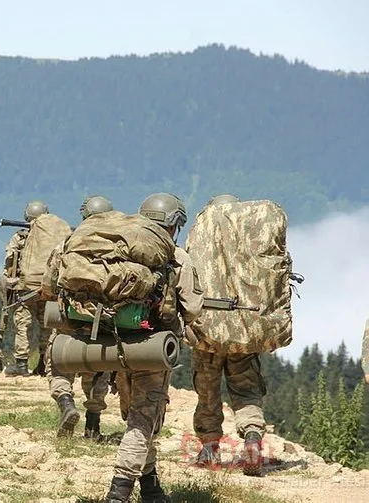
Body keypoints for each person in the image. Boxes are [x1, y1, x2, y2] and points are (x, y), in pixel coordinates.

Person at [104, 192, 203, 503]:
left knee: (133, 413)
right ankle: (118, 492)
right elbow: (193, 305)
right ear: (174, 224)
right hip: (152, 347)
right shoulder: (177, 256)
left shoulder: (118, 250)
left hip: (115, 344)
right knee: (143, 419)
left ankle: (151, 488)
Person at [190, 194, 269, 476]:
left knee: (207, 391)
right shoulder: (250, 241)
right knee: (246, 389)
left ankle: (210, 448)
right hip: (243, 330)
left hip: (206, 331)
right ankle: (251, 438)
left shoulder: (198, 238)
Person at [45, 196, 114, 439]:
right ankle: (93, 427)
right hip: (106, 322)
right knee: (99, 372)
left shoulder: (67, 244)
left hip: (70, 321)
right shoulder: (121, 249)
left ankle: (66, 404)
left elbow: (49, 284)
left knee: (59, 369)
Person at [3, 200, 50, 377]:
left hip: (25, 289)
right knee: (48, 326)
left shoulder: (19, 238)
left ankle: (22, 365)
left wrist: (10, 283)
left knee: (23, 325)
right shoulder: (53, 239)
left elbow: (10, 262)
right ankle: (44, 364)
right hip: (46, 289)